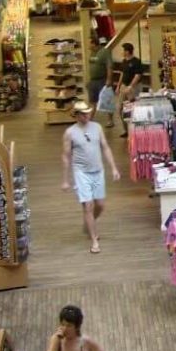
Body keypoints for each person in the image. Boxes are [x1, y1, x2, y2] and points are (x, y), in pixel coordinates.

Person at [60, 101, 120, 254]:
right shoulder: (70, 132)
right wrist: (65, 179)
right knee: (88, 206)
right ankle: (94, 240)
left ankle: (89, 222)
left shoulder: (97, 127)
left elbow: (105, 147)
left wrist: (113, 168)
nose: (87, 115)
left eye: (88, 112)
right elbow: (66, 156)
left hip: (98, 170)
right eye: (83, 113)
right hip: (81, 172)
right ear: (77, 115)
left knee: (100, 205)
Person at [115, 42, 148, 136]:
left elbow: (137, 75)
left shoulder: (136, 61)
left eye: (124, 50)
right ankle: (126, 130)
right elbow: (122, 74)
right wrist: (118, 86)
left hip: (134, 87)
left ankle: (135, 129)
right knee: (120, 108)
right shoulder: (124, 61)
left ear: (128, 51)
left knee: (133, 107)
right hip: (124, 86)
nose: (123, 52)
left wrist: (131, 86)